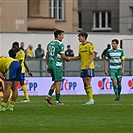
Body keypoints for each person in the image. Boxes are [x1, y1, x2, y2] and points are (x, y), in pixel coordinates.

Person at [45, 30, 70, 105]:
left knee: (56, 82)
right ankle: (57, 101)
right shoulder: (60, 44)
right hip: (57, 65)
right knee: (58, 82)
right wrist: (67, 59)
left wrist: (48, 65)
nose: (63, 36)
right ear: (58, 35)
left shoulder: (49, 44)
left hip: (51, 64)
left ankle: (48, 96)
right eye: (62, 35)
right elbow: (63, 56)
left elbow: (47, 56)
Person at [70, 31, 95, 105]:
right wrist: (70, 58)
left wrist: (88, 64)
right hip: (83, 67)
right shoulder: (80, 46)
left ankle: (91, 100)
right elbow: (79, 56)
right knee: (85, 83)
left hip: (89, 67)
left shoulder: (90, 45)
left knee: (87, 81)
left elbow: (93, 55)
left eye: (79, 37)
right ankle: (90, 99)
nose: (78, 39)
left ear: (84, 37)